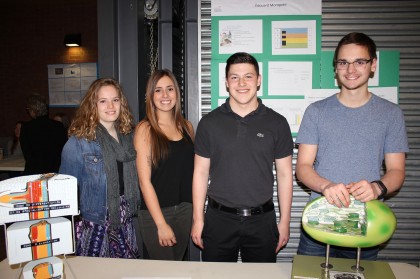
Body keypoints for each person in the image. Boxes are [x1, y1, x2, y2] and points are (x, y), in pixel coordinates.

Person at [295, 32, 409, 260]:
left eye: (360, 61)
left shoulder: (391, 114)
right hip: (320, 218)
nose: (351, 69)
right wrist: (326, 186)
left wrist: (377, 188)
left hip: (366, 222)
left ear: (373, 64)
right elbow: (303, 167)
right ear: (335, 67)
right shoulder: (316, 112)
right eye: (343, 62)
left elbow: (397, 172)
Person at [191, 52, 294, 262]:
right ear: (226, 82)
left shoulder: (277, 123)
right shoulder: (209, 123)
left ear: (259, 80)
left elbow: (285, 175)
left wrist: (285, 221)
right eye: (234, 77)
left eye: (248, 76)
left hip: (262, 221)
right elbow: (200, 173)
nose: (241, 83)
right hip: (218, 219)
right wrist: (198, 219)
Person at [59, 78, 141, 258]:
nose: (110, 106)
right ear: (92, 105)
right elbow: (65, 194)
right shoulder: (78, 143)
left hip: (124, 220)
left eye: (115, 100)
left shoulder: (130, 137)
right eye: (103, 101)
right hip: (94, 223)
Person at [134, 69, 194, 260]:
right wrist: (160, 224)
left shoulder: (187, 126)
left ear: (177, 93)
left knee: (178, 268)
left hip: (185, 210)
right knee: (164, 271)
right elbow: (144, 182)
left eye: (170, 89)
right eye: (158, 90)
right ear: (150, 96)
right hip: (157, 214)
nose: (165, 95)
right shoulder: (145, 129)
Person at [20, 94, 67, 175]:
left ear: (32, 110)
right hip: (55, 171)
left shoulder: (26, 127)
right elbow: (64, 150)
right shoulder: (58, 125)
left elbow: (27, 154)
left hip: (34, 172)